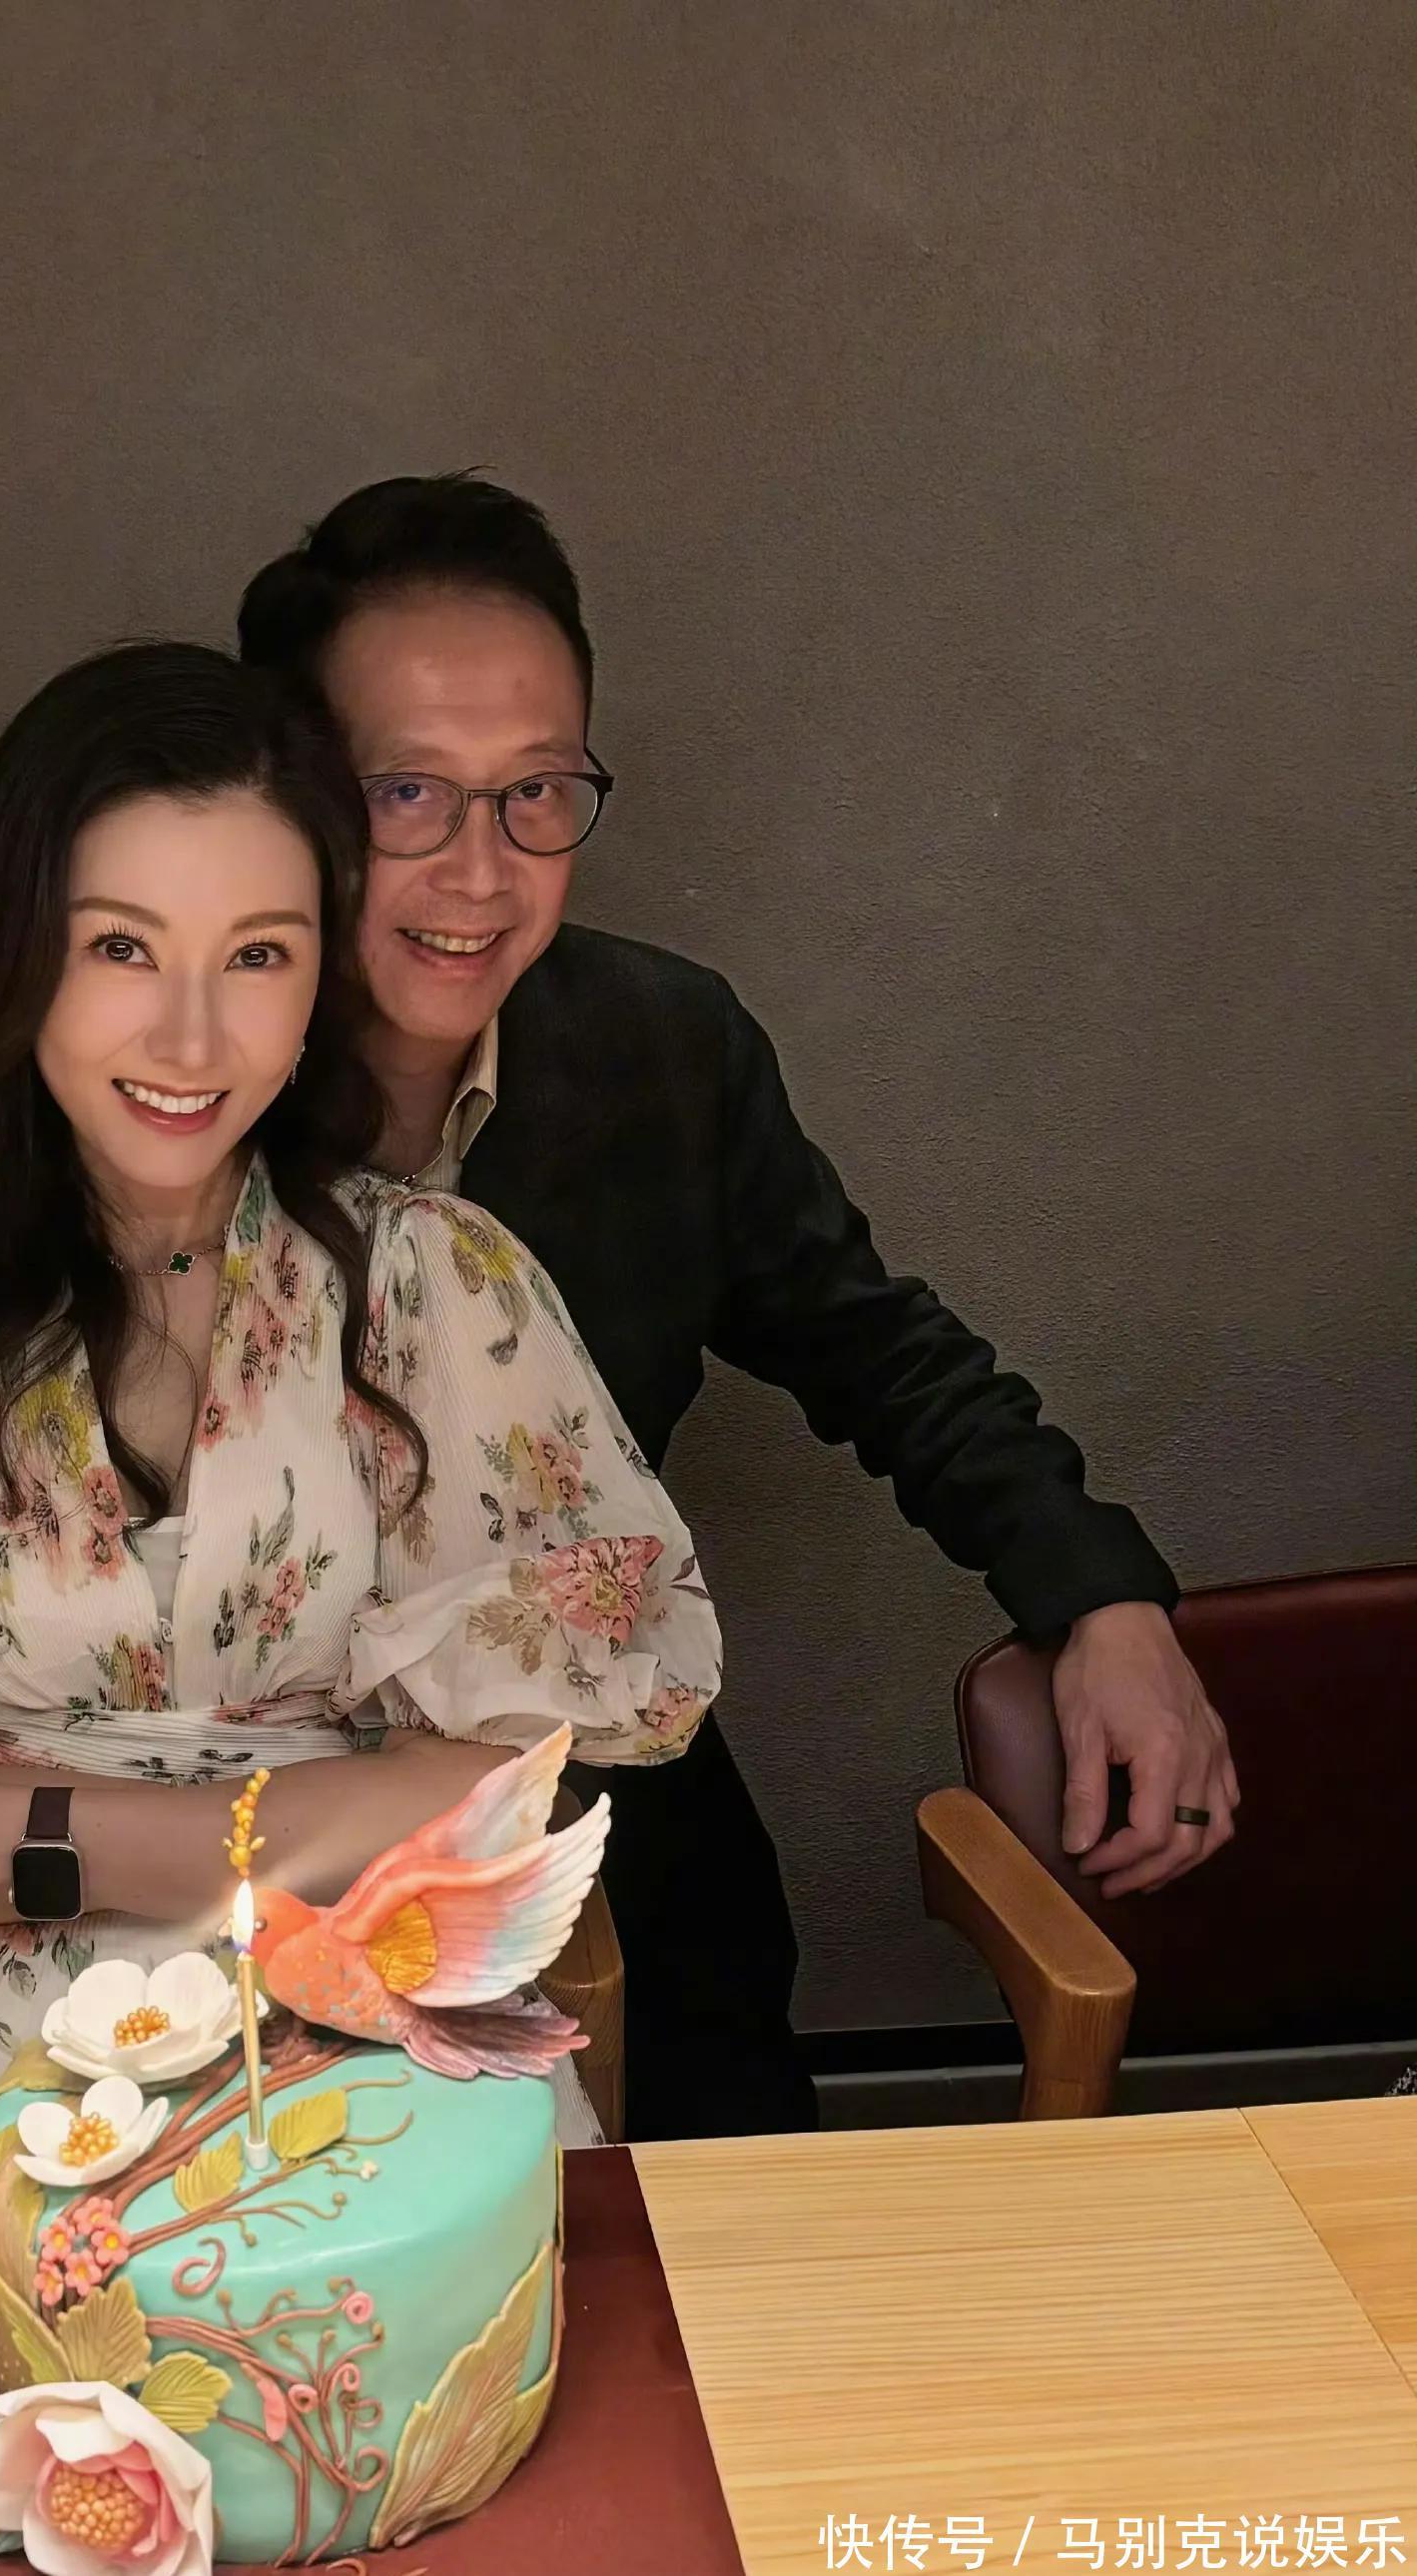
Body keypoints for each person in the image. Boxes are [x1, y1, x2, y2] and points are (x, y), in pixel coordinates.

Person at [0, 643, 720, 2203]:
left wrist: (14, 1839)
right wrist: (300, 1812)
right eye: (121, 947)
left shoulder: (439, 1288)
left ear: (320, 980)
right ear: (13, 956)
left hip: (377, 2031)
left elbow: (490, 1801)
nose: (191, 1040)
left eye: (258, 956)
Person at [235, 474, 1240, 2139]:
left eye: (537, 791)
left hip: (598, 1809)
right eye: (406, 792)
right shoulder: (163, 1080)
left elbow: (879, 1349)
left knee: (731, 2190)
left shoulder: (659, 1044)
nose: (481, 869)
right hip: (237, 1831)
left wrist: (1104, 1597)